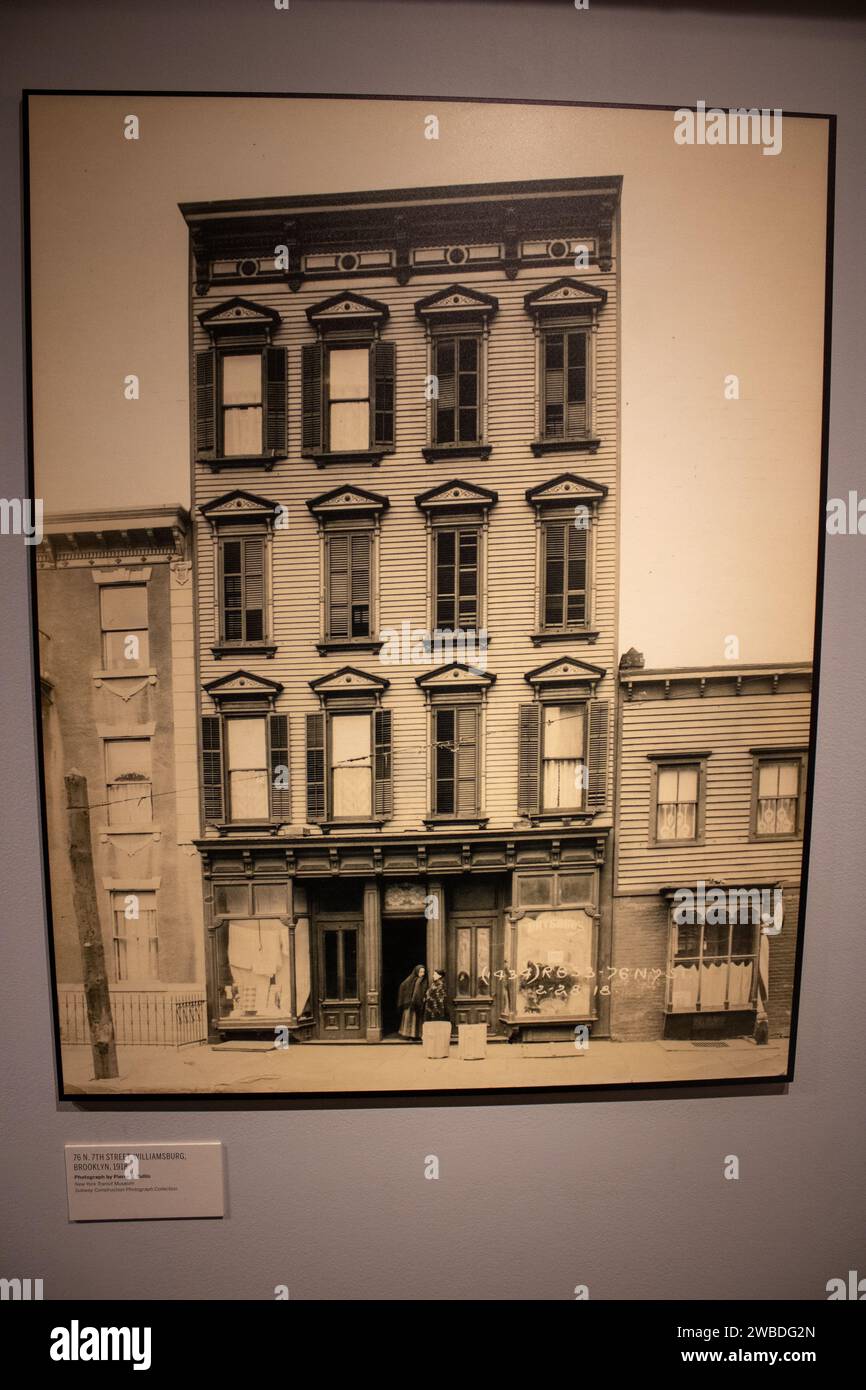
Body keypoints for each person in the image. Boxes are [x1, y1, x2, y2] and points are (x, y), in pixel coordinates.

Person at [397, 964, 427, 1040]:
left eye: (423, 972)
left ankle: (417, 1035)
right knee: (410, 1019)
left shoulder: (424, 980)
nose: (422, 974)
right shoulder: (411, 979)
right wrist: (408, 998)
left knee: (416, 1020)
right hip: (410, 1003)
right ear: (416, 972)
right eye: (420, 972)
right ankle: (409, 1035)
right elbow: (402, 986)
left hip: (418, 1003)